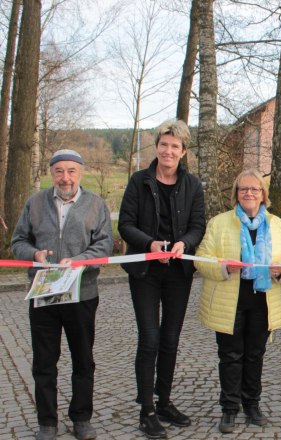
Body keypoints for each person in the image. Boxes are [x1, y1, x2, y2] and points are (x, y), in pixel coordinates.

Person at [12, 149, 113, 440]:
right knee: (44, 362)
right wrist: (34, 254)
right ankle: (47, 422)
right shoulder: (35, 203)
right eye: (59, 171)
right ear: (51, 173)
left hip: (82, 294)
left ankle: (82, 418)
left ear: (80, 173)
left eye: (71, 171)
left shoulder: (96, 204)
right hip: (44, 293)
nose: (65, 177)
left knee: (83, 359)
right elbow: (18, 241)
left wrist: (80, 260)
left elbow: (104, 246)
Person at [118, 119, 205, 438]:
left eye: (175, 146)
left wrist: (186, 243)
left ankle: (164, 401)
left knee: (170, 339)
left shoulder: (193, 185)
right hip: (145, 272)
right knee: (150, 338)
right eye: (164, 144)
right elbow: (125, 224)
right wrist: (150, 244)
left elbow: (198, 225)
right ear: (156, 147)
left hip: (178, 273)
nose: (168, 151)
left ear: (183, 151)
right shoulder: (138, 181)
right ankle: (147, 410)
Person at [194, 170, 281, 433]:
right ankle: (229, 408)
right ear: (236, 194)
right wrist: (223, 267)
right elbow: (201, 259)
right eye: (243, 189)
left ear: (263, 194)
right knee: (230, 356)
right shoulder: (219, 223)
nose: (249, 193)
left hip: (263, 300)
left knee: (255, 355)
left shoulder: (276, 224)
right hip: (229, 301)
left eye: (254, 189)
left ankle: (252, 404)